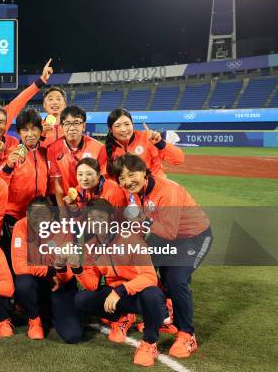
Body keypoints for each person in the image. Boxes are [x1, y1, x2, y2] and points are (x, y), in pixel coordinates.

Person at [112, 153, 212, 358]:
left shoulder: (167, 191)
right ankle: (166, 314)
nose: (127, 182)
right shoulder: (137, 191)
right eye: (122, 178)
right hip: (165, 233)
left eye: (131, 175)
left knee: (176, 279)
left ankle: (187, 335)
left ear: (144, 172)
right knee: (140, 265)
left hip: (194, 236)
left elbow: (169, 232)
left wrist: (142, 219)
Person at [73, 198, 167, 367]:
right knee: (81, 299)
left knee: (153, 295)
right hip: (118, 295)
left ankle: (149, 343)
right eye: (92, 219)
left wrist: (120, 290)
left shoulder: (131, 238)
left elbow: (149, 277)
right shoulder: (91, 245)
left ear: (110, 218)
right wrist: (78, 269)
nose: (96, 223)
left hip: (138, 294)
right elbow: (92, 285)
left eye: (100, 217)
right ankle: (122, 317)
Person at [11, 197, 82, 342]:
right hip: (38, 281)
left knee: (73, 336)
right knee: (23, 282)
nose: (40, 220)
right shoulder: (21, 226)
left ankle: (50, 309)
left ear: (52, 215)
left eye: (44, 215)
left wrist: (60, 276)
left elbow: (70, 268)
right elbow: (18, 266)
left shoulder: (64, 228)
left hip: (61, 283)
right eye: (35, 215)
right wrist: (48, 271)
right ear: (28, 215)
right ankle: (34, 319)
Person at [0, 108, 49, 261]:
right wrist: (8, 166)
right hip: (14, 215)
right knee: (13, 255)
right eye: (25, 130)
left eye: (34, 129)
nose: (30, 134)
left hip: (38, 214)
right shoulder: (10, 154)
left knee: (37, 254)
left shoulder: (45, 153)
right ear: (19, 133)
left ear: (40, 131)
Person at [97, 108, 184, 178]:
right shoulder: (106, 149)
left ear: (132, 124)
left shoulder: (147, 138)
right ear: (111, 129)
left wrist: (160, 143)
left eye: (127, 124)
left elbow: (178, 159)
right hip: (129, 194)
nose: (123, 129)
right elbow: (105, 176)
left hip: (155, 190)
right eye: (117, 126)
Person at [46, 106, 103, 206]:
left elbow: (102, 181)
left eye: (76, 123)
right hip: (67, 201)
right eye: (67, 123)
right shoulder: (53, 149)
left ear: (84, 126)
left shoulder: (99, 148)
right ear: (62, 126)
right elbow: (57, 183)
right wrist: (62, 211)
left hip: (93, 202)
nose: (72, 128)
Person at [61, 158, 127, 208]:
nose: (84, 179)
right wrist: (74, 208)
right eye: (80, 174)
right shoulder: (78, 190)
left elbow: (118, 221)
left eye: (89, 174)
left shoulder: (114, 191)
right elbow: (82, 220)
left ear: (98, 175)